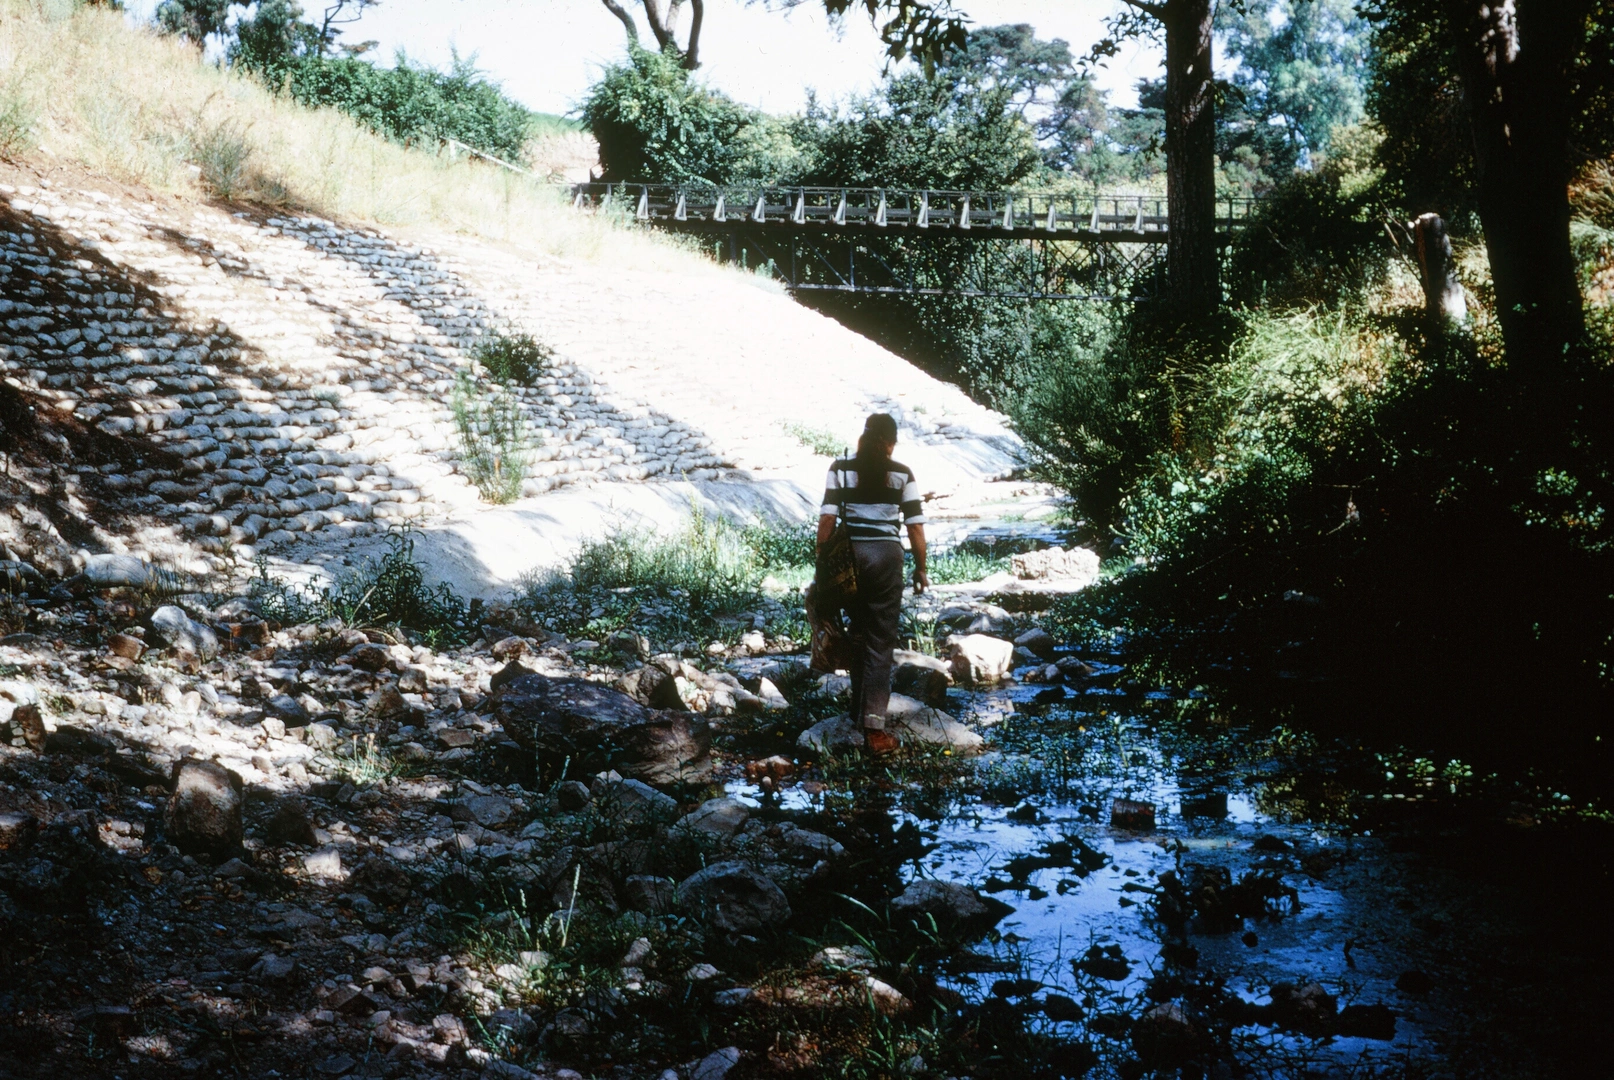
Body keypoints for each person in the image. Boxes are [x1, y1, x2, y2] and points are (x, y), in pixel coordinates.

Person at [817, 413, 929, 754]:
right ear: (891, 443)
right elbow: (914, 528)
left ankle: (857, 712)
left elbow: (827, 520)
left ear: (863, 437)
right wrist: (921, 568)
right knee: (880, 641)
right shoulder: (902, 474)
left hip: (849, 559)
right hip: (885, 560)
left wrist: (822, 566)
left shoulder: (840, 469)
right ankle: (874, 730)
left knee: (858, 632)